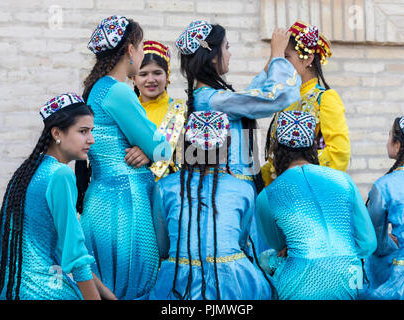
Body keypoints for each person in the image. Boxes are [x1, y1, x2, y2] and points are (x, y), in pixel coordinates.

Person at [175, 20, 301, 255]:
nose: (230, 54)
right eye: (227, 47)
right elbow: (276, 97)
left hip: (226, 192)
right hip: (232, 194)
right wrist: (277, 56)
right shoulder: (213, 100)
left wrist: (271, 63)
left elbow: (250, 96)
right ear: (213, 56)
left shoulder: (208, 97)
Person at [76, 15, 172, 300]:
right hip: (127, 202)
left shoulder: (97, 89)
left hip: (101, 199)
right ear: (130, 49)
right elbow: (159, 148)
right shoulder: (118, 91)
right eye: (141, 46)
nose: (143, 54)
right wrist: (153, 148)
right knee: (135, 286)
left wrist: (147, 149)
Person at [0, 93, 113, 300]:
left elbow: (63, 248)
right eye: (83, 131)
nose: (92, 139)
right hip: (38, 287)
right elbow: (75, 253)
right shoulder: (60, 174)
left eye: (91, 131)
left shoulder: (28, 170)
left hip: (0, 282)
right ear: (56, 133)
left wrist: (107, 294)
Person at [149, 111, 274, 300]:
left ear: (187, 145)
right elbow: (241, 242)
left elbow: (163, 247)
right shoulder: (243, 189)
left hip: (178, 282)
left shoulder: (164, 187)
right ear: (226, 146)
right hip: (234, 282)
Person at [256, 110, 376, 300]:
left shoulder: (267, 194)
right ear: (313, 145)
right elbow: (368, 244)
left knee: (263, 259)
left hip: (299, 284)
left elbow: (278, 245)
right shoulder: (343, 180)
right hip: (350, 278)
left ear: (276, 148)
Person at [262, 20, 351, 186]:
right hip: (281, 188)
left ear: (308, 59)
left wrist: (297, 173)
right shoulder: (285, 99)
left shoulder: (325, 98)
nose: (281, 63)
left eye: (286, 57)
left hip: (312, 187)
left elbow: (339, 153)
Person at [362, 113, 404, 299]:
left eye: (389, 136)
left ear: (398, 145)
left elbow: (372, 240)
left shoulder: (385, 185)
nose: (387, 141)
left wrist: (388, 241)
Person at [133, 40, 187, 179]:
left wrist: (150, 154)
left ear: (167, 75)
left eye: (157, 73)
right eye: (143, 74)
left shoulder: (181, 111)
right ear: (133, 78)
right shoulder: (129, 111)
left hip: (171, 191)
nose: (150, 79)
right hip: (135, 190)